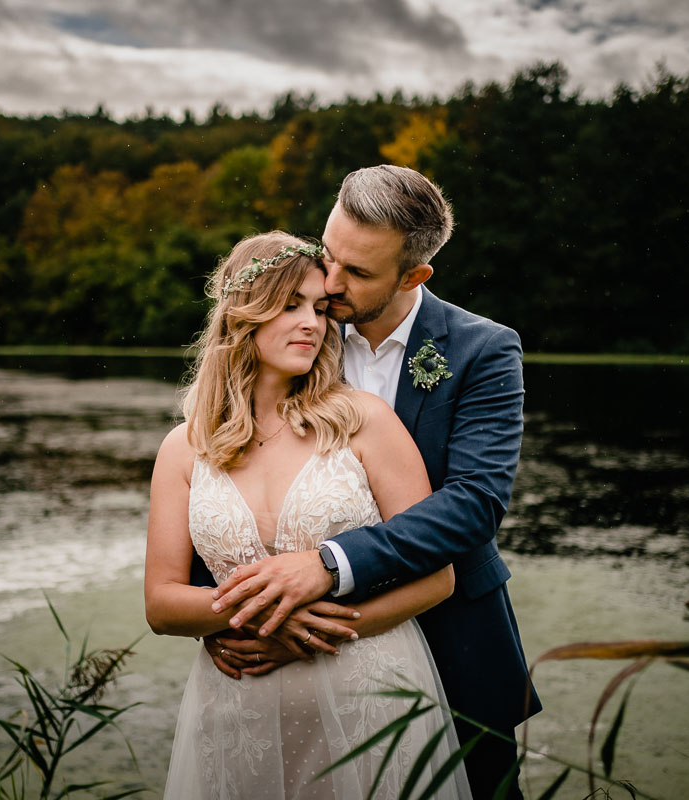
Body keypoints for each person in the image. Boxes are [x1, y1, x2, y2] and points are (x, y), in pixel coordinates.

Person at [206, 166, 541, 799]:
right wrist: (227, 610)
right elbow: (224, 470)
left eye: (357, 272)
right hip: (287, 656)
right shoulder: (295, 327)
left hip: (454, 638)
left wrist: (330, 564)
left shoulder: (483, 350)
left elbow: (474, 504)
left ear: (414, 277)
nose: (330, 282)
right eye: (328, 253)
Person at [144, 231, 473, 799]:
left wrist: (319, 630)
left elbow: (438, 576)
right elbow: (161, 603)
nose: (312, 325)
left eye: (320, 309)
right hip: (237, 711)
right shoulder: (185, 446)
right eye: (291, 305)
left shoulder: (364, 421)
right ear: (244, 313)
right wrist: (267, 617)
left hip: (369, 702)